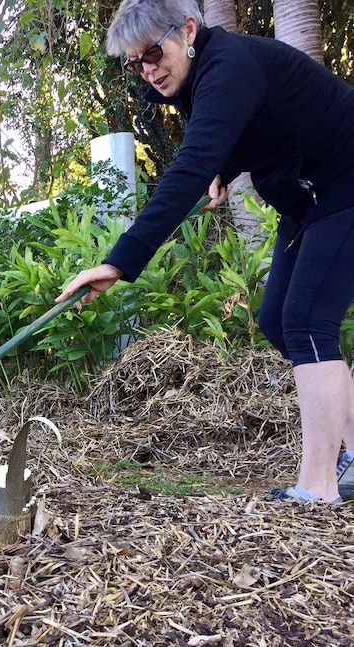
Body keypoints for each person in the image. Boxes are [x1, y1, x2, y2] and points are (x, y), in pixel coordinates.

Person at [57, 0, 354, 502]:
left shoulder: (228, 65)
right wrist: (227, 167)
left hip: (344, 184)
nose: (147, 69)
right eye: (135, 63)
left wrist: (118, 261)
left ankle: (319, 485)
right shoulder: (204, 76)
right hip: (308, 198)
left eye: (153, 52)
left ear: (188, 29)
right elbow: (254, 125)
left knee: (306, 322)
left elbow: (192, 162)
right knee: (279, 320)